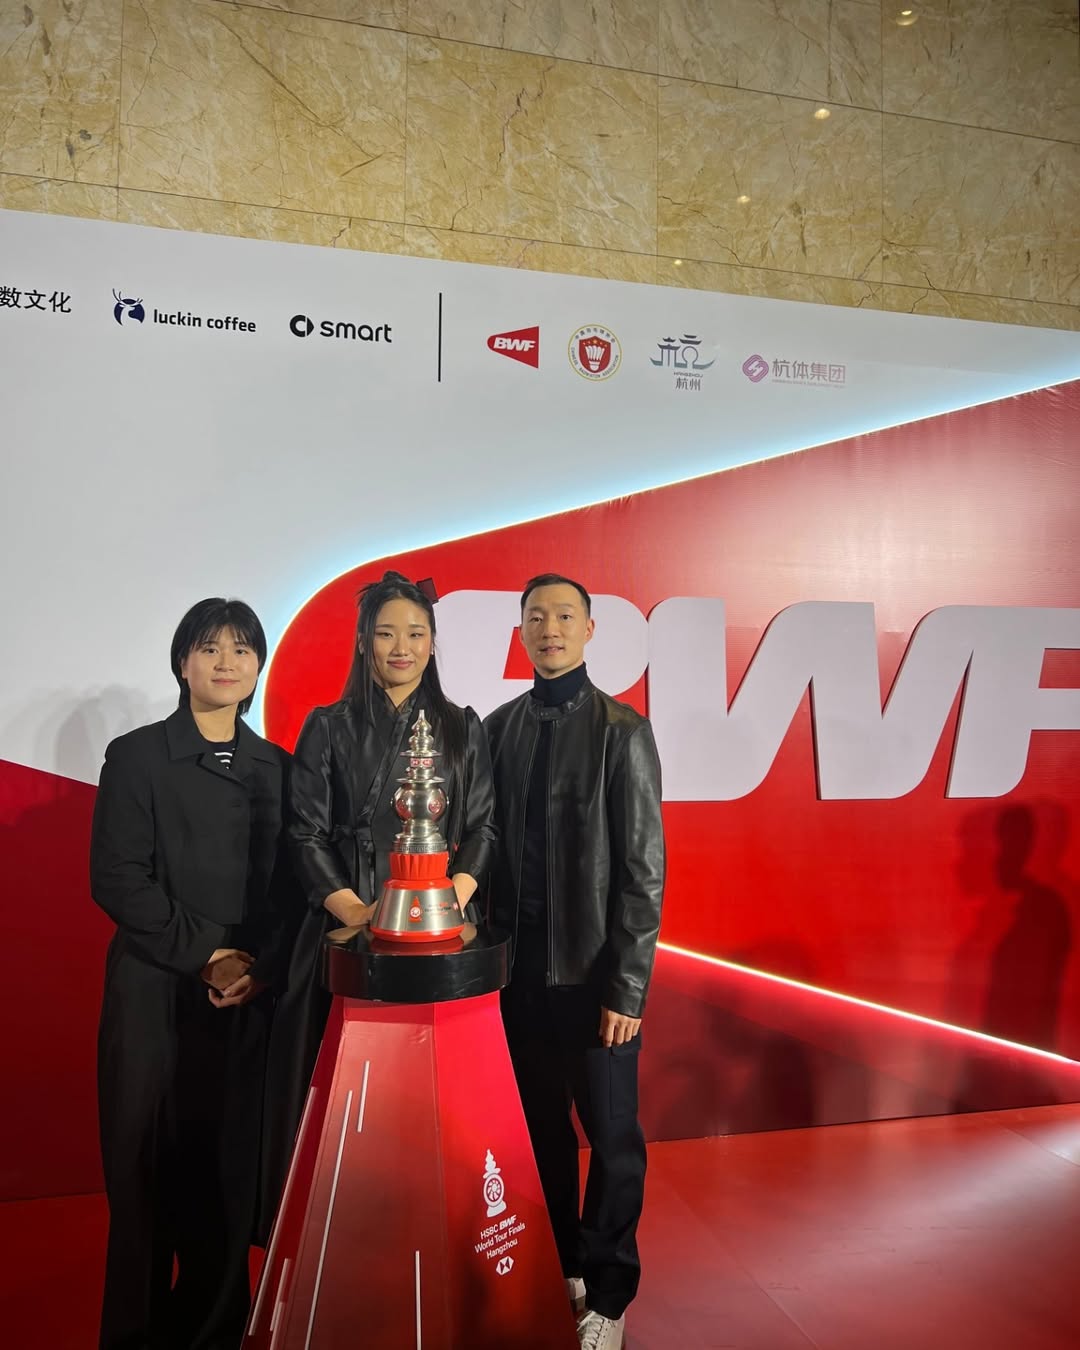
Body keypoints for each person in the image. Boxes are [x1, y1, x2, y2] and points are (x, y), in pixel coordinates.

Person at [260, 571, 497, 1234]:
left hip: (438, 933)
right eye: (387, 633)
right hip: (347, 928)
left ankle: (441, 1226)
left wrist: (447, 901)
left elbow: (483, 830)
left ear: (432, 643)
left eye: (416, 634)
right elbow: (305, 831)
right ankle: (331, 1232)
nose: (402, 647)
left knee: (437, 1092)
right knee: (340, 1094)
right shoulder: (328, 726)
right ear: (364, 642)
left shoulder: (461, 727)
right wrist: (357, 913)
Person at [90, 598, 292, 1350]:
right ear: (182, 662)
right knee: (143, 1182)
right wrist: (209, 952)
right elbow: (118, 877)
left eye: (242, 650)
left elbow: (291, 889)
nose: (226, 663)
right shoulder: (137, 756)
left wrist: (261, 967)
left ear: (257, 667)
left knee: (227, 1179)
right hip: (153, 994)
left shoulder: (279, 767)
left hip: (245, 1000)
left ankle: (215, 1333)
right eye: (209, 649)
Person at [484, 574, 665, 1350]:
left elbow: (643, 871)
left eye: (564, 616)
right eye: (536, 617)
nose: (549, 629)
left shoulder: (623, 730)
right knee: (539, 1136)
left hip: (595, 982)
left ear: (590, 629)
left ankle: (611, 1296)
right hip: (518, 980)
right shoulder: (498, 729)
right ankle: (562, 1267)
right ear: (521, 632)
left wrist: (628, 986)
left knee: (614, 1142)